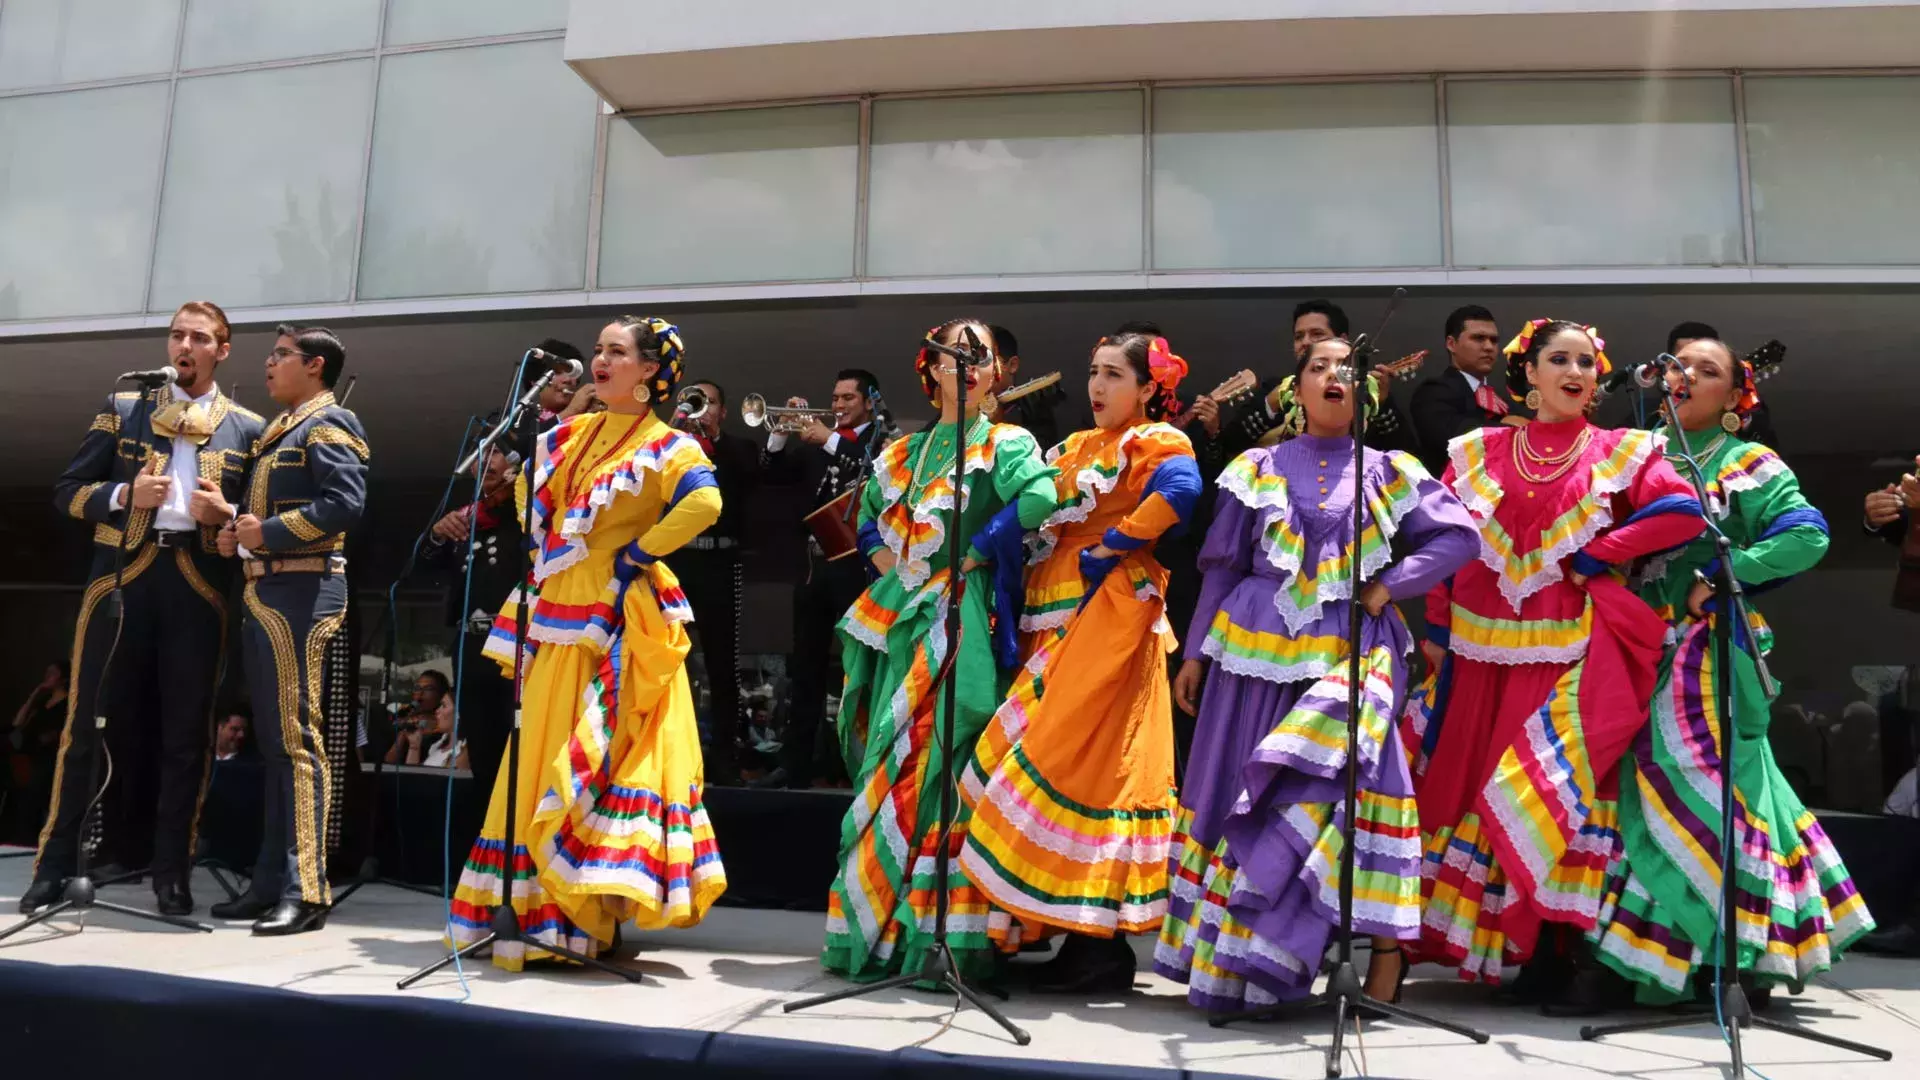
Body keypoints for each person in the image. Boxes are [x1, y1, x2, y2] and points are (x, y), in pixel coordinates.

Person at [1154, 338, 1477, 1011]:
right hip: (1251, 651)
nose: (1335, 376)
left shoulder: (1391, 468)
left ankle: (1382, 950)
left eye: (1349, 370)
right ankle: (1237, 961)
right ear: (1296, 389)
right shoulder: (1256, 465)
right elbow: (1222, 564)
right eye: (1319, 367)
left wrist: (1391, 585)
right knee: (1247, 786)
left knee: (1349, 791)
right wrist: (1191, 656)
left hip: (1349, 645)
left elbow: (1459, 537)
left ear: (1370, 394)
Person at [1403, 319, 1706, 1006]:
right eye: (1559, 359)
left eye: (1588, 362)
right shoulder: (1478, 450)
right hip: (1481, 653)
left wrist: (1603, 552)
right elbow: (1448, 541)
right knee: (1480, 783)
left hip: (1568, 647)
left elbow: (1685, 513)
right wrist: (1439, 627)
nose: (1577, 371)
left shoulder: (1619, 450)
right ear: (1529, 374)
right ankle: (1511, 948)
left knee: (1552, 787)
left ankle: (1555, 949)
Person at [1587, 338, 1873, 1006]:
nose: (1686, 376)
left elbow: (1807, 536)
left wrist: (1723, 575)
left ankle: (1734, 957)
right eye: (1678, 365)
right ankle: (1648, 961)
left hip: (1712, 654)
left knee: (1723, 799)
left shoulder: (1746, 461)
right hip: (1633, 651)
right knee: (1637, 794)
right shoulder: (1628, 451)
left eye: (1707, 371)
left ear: (1734, 400)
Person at [450, 316, 728, 970]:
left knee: (599, 749)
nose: (600, 361)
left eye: (616, 352)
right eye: (599, 351)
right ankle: (538, 911)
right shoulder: (566, 435)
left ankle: (588, 913)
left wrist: (639, 551)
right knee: (541, 747)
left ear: (651, 371)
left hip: (616, 610)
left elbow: (704, 504)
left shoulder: (667, 443)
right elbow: (525, 498)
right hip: (559, 606)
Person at [960, 332, 1202, 992]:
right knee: (1057, 762)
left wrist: (1116, 545)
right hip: (1060, 617)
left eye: (1115, 375)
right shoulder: (1073, 448)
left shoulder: (1156, 440)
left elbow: (1181, 491)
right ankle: (1058, 926)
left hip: (1111, 619)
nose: (1098, 386)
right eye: (1094, 373)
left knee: (1090, 767)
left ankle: (1100, 945)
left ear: (1148, 387)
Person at [822, 318, 1058, 984]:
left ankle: (936, 941)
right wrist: (883, 562)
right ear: (931, 371)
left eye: (978, 354)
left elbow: (1041, 495)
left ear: (992, 373)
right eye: (955, 353)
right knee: (889, 760)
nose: (968, 363)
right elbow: (866, 513)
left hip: (965, 620)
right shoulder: (904, 451)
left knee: (948, 760)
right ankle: (878, 935)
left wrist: (978, 551)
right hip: (905, 621)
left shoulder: (1007, 442)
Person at [23, 301, 263, 919]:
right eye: (177, 334)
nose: (184, 344)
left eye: (199, 337)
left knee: (187, 735)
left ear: (221, 351)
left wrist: (227, 517)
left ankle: (171, 873)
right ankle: (53, 866)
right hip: (120, 578)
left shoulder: (248, 427)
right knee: (85, 726)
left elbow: (255, 527)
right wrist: (126, 493)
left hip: (198, 584)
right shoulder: (124, 406)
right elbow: (66, 493)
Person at [204, 323, 368, 936]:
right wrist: (235, 532)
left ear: (316, 365)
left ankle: (308, 889)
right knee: (277, 747)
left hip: (305, 590)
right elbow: (261, 521)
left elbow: (344, 505)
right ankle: (270, 880)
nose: (269, 365)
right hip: (267, 589)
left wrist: (264, 535)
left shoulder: (330, 423)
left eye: (281, 356)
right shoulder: (279, 431)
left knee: (298, 744)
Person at [758, 368, 888, 789]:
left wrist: (828, 439)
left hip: (857, 564)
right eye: (834, 398)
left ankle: (864, 761)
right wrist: (779, 435)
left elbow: (878, 474)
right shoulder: (816, 442)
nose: (837, 406)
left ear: (869, 400)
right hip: (815, 565)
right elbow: (771, 474)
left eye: (848, 398)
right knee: (805, 666)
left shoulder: (884, 438)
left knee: (861, 663)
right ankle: (793, 764)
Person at [663, 379, 760, 784]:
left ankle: (724, 755)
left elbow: (747, 478)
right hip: (677, 560)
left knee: (723, 664)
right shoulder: (669, 444)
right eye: (691, 401)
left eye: (708, 403)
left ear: (721, 411)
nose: (699, 409)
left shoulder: (739, 448)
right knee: (669, 660)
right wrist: (672, 433)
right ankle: (670, 754)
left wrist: (709, 439)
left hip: (721, 561)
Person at [423, 445, 521, 794]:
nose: (485, 461)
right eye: (479, 454)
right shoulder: (466, 518)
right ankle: (486, 841)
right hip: (471, 644)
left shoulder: (526, 514)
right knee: (481, 748)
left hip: (514, 647)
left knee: (518, 748)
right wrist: (437, 533)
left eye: (495, 452)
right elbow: (424, 564)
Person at [1216, 299, 1421, 459]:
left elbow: (1405, 453)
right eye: (1299, 336)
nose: (1305, 342)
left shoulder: (1365, 390)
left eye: (1316, 334)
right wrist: (1270, 404)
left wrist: (1382, 404)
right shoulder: (1274, 388)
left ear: (1342, 340)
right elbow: (1232, 445)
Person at [1410, 305, 1527, 477]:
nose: (1489, 347)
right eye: (1478, 338)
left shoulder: (1504, 400)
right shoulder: (1433, 392)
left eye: (1494, 340)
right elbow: (1455, 438)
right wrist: (1510, 428)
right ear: (1451, 344)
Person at [5, 662, 68, 840]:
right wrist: (35, 693)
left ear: (62, 679)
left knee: (34, 802)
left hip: (48, 760)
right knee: (23, 804)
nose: (47, 675)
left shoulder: (67, 705)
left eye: (53, 673)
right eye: (47, 671)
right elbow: (17, 723)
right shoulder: (42, 702)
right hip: (29, 759)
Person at [986, 325, 1063, 451]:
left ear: (1012, 365)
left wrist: (997, 423)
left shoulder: (1033, 411)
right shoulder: (960, 406)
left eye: (987, 362)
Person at [383, 671, 450, 766]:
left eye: (428, 689)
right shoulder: (405, 718)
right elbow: (389, 761)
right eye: (417, 688)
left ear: (441, 694)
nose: (421, 693)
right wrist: (403, 733)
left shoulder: (446, 723)